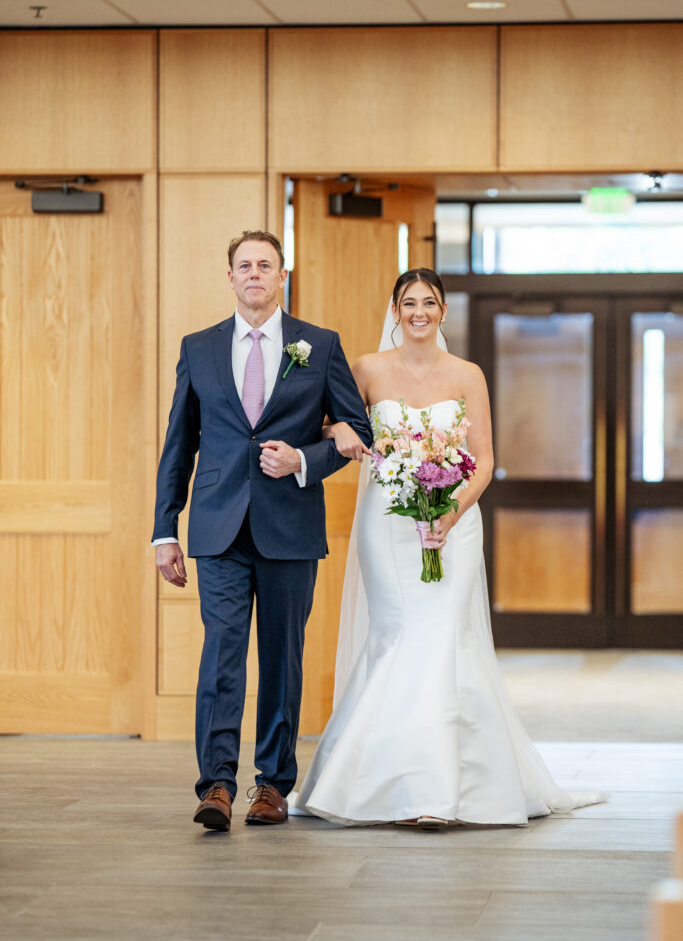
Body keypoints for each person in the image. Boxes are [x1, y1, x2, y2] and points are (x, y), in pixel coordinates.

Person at [291, 268, 604, 827]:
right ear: (394, 308)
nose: (418, 312)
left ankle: (440, 791)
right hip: (386, 522)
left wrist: (451, 511)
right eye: (408, 302)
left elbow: (482, 459)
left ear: (442, 311)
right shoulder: (365, 368)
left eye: (429, 303)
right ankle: (385, 781)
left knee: (441, 636)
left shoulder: (467, 374)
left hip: (452, 524)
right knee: (397, 635)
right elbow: (327, 426)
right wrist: (339, 429)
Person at [152, 230, 372, 831]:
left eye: (265, 265)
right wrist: (163, 530)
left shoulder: (318, 345)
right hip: (219, 527)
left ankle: (272, 784)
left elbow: (358, 430)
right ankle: (216, 786)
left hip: (289, 526)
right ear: (230, 277)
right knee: (221, 655)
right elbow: (179, 445)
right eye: (243, 265)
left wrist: (303, 460)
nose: (254, 274)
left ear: (282, 275)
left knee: (282, 657)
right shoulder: (198, 348)